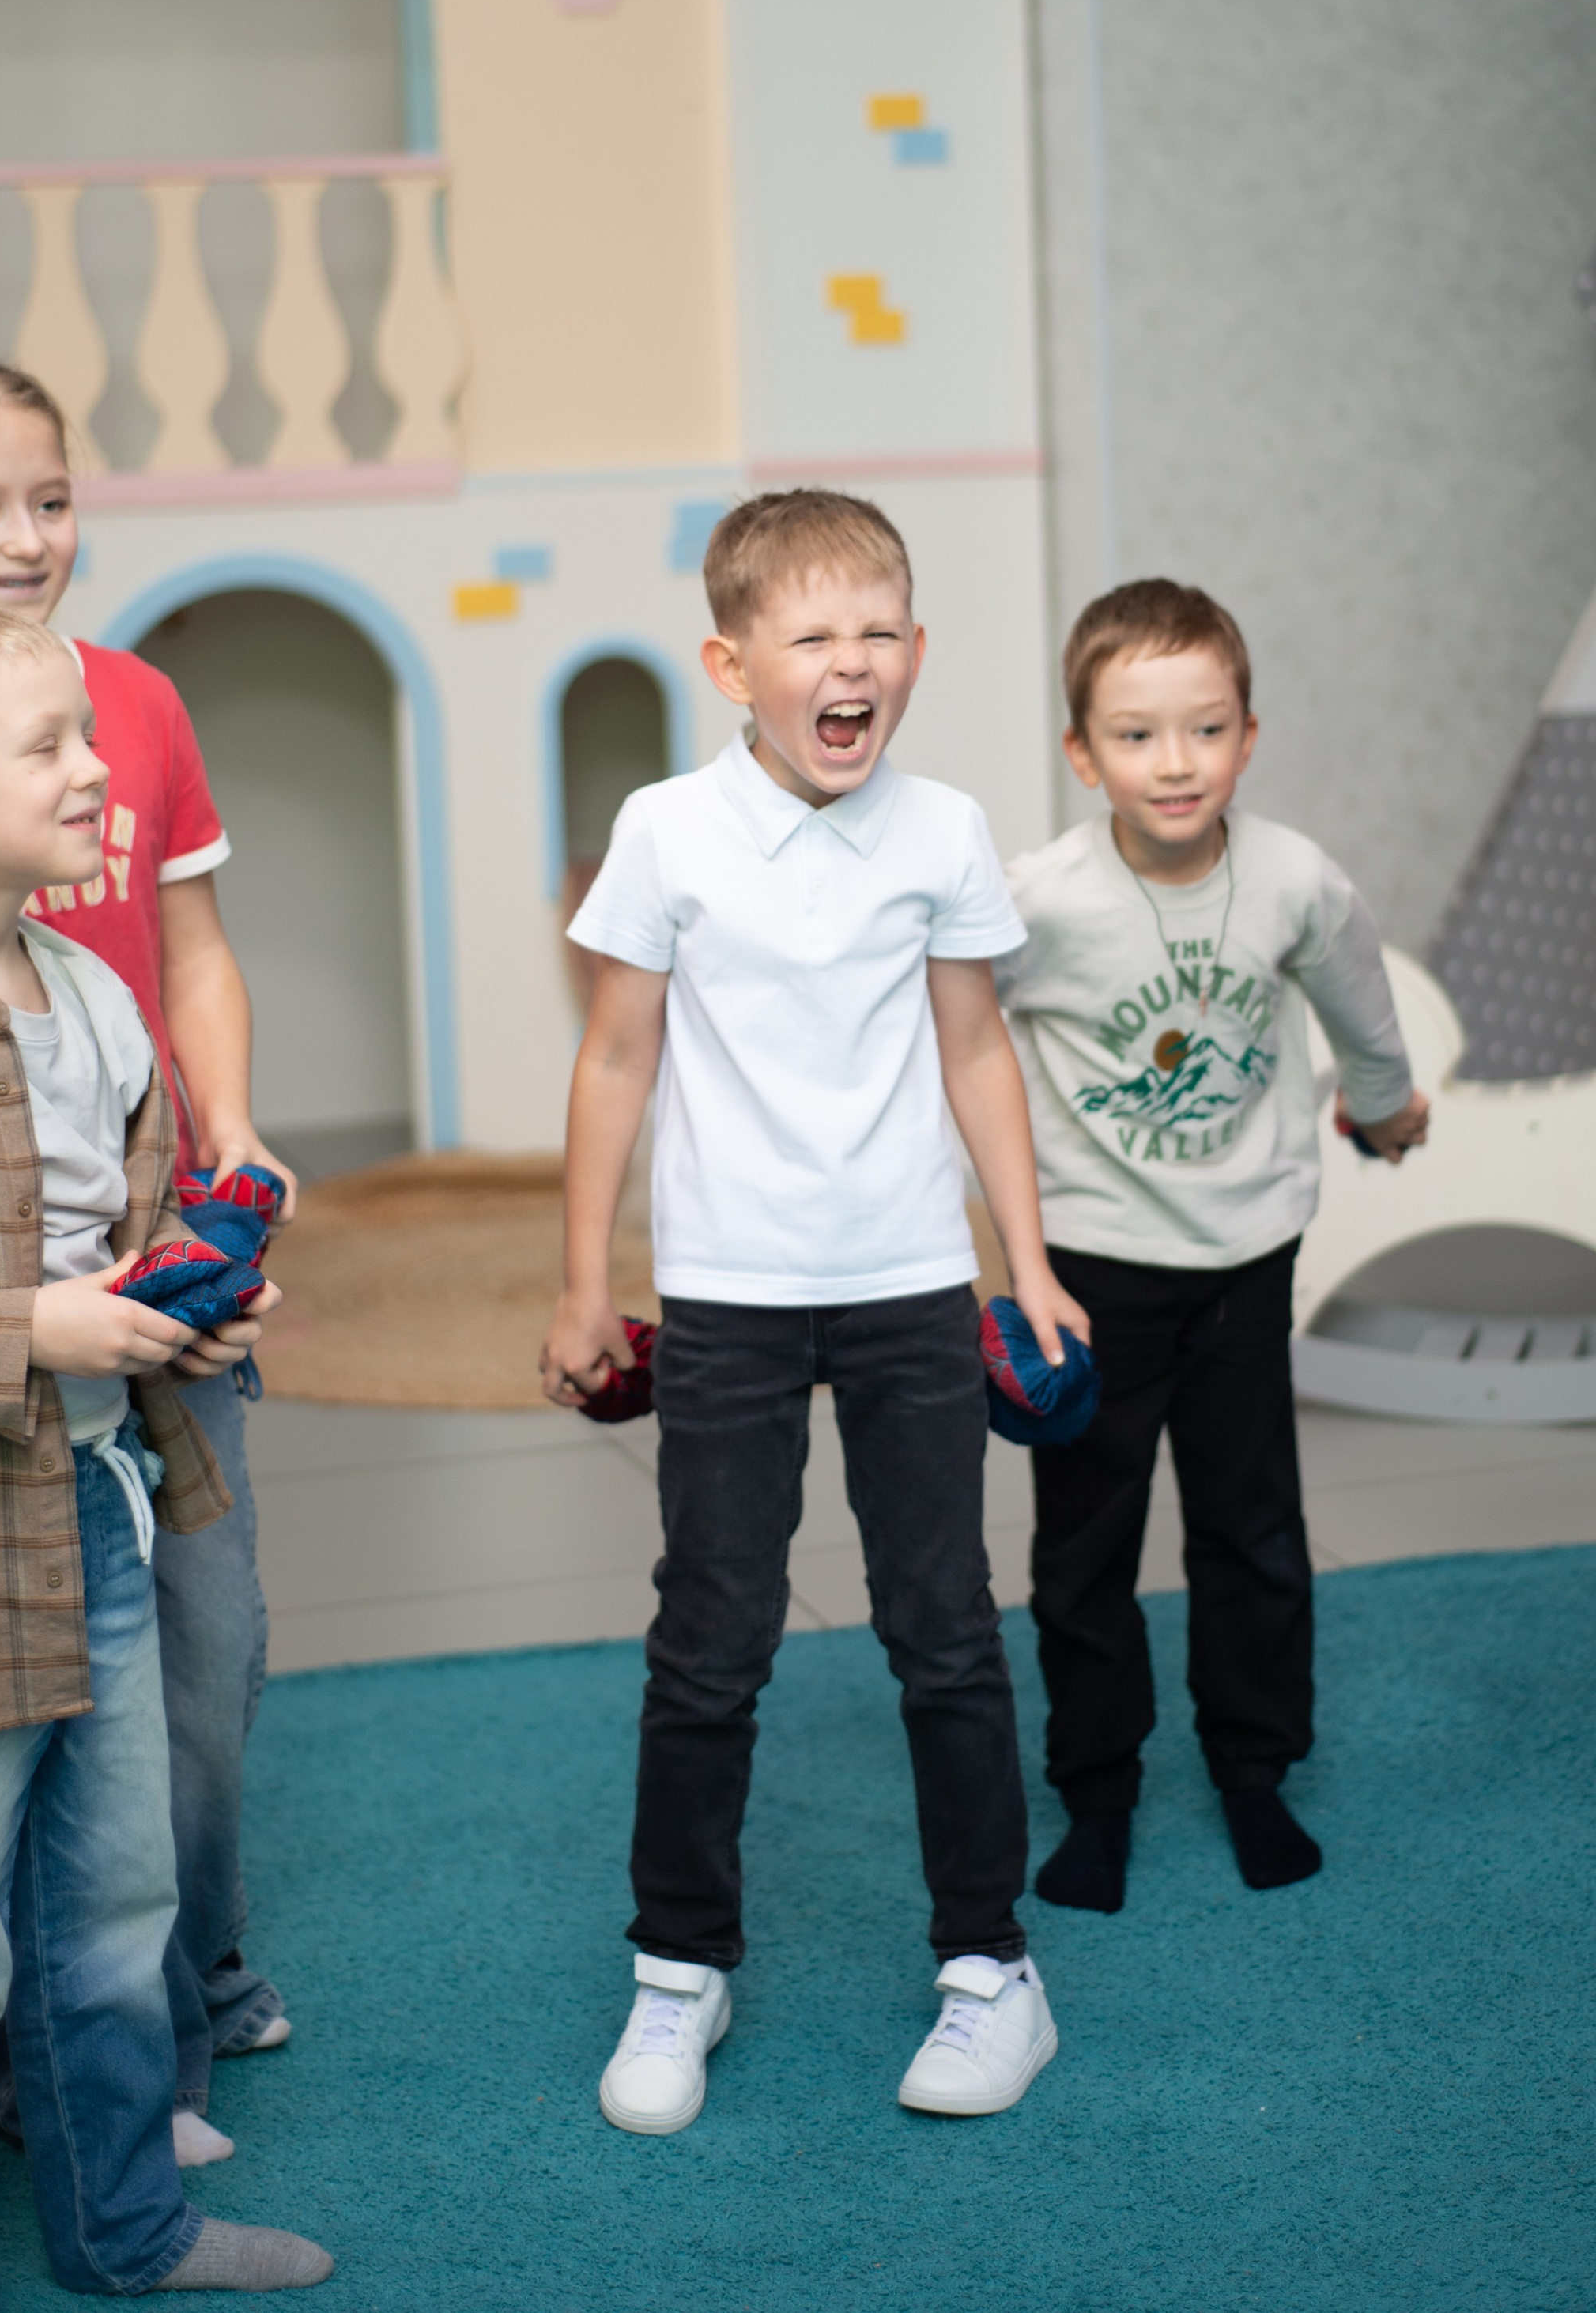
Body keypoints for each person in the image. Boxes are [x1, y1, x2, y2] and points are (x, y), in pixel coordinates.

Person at [0, 600, 330, 2308]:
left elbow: (134, 1233)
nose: (103, 770)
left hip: (96, 1521)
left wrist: (195, 1309)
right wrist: (28, 1327)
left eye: (91, 736)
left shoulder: (100, 992)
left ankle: (132, 2231)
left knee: (115, 1914)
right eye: (51, 746)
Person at [540, 489, 1089, 2131]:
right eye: (810, 637)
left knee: (942, 1629)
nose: (851, 665)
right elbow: (614, 1056)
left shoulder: (941, 828)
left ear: (912, 652)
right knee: (710, 1639)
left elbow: (977, 1046)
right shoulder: (662, 829)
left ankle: (990, 1970)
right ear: (730, 662)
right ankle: (676, 1968)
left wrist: (1029, 1257)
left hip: (913, 1284)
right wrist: (585, 1280)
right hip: (726, 1294)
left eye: (878, 633)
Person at [996, 579, 1428, 1912]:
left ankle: (1254, 1768)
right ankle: (1099, 1791)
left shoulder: (1296, 877)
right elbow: (949, 1038)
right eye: (1135, 736)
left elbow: (1359, 1004)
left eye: (1203, 730)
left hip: (1246, 1252)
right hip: (1091, 1263)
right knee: (1087, 1543)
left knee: (1250, 1524)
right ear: (1082, 755)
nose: (1172, 763)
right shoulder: (1040, 900)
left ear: (1249, 735)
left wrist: (1386, 1105)